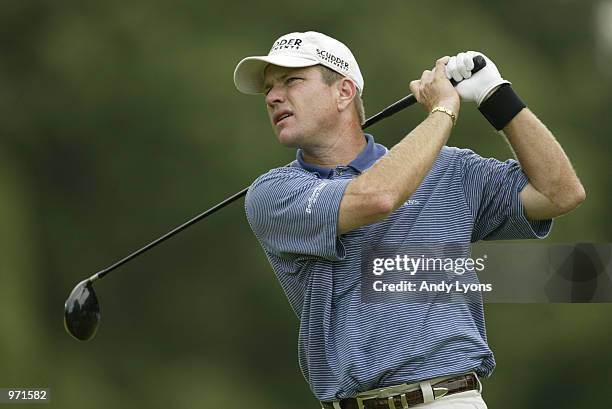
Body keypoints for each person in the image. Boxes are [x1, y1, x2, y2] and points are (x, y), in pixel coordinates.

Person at [233, 31, 585, 409]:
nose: (272, 97)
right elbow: (379, 196)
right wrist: (443, 110)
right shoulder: (273, 193)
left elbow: (559, 193)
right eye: (269, 88)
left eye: (292, 81)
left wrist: (497, 97)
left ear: (344, 92)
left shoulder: (452, 169)